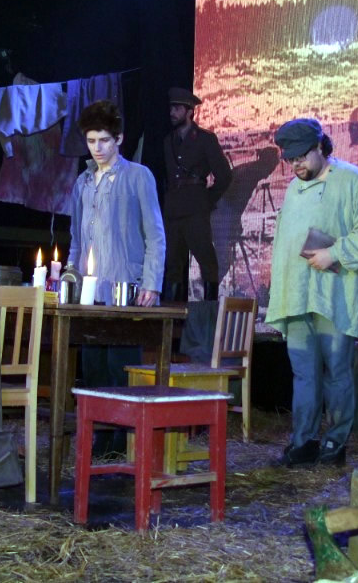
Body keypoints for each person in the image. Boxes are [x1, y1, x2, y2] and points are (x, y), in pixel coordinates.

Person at [267, 119, 358, 467]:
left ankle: (335, 442)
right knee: (304, 373)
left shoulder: (354, 182)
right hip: (298, 295)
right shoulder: (294, 188)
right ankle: (302, 441)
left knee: (337, 371)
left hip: (334, 296)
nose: (296, 165)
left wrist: (333, 253)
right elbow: (284, 244)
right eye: (291, 159)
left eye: (301, 156)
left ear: (320, 146)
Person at [68, 100, 166, 454]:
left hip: (125, 286)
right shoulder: (82, 182)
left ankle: (123, 438)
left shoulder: (138, 176)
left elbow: (155, 233)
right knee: (93, 365)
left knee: (120, 366)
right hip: (90, 291)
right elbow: (77, 238)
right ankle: (100, 434)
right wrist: (70, 276)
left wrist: (152, 282)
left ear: (119, 139)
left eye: (104, 140)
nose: (97, 148)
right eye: (91, 140)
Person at [163, 87, 232, 301]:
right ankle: (172, 314)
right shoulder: (168, 140)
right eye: (171, 108)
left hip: (196, 209)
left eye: (177, 108)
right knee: (173, 263)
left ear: (189, 111)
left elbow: (224, 176)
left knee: (206, 260)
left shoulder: (205, 139)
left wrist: (207, 200)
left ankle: (209, 310)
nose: (172, 112)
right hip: (173, 209)